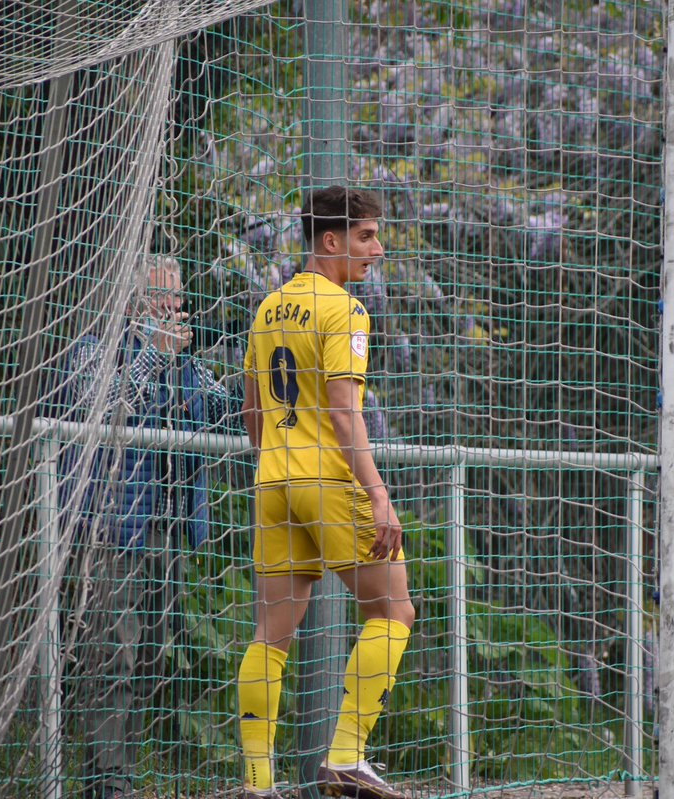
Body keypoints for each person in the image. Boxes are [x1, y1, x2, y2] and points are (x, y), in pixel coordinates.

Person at [236, 186, 415, 799]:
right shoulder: (347, 311)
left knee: (271, 636)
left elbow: (252, 413)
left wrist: (277, 463)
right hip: (329, 481)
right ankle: (346, 755)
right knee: (393, 611)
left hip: (273, 482)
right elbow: (345, 414)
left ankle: (258, 781)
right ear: (331, 241)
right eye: (367, 236)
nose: (377, 248)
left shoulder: (267, 310)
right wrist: (379, 494)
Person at [58, 255, 236, 799]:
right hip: (112, 528)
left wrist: (245, 379)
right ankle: (107, 784)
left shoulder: (185, 360)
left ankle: (120, 776)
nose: (176, 310)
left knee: (150, 662)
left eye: (179, 300)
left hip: (167, 526)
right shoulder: (93, 350)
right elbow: (103, 408)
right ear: (132, 306)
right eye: (164, 300)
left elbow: (223, 411)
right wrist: (152, 363)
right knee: (114, 656)